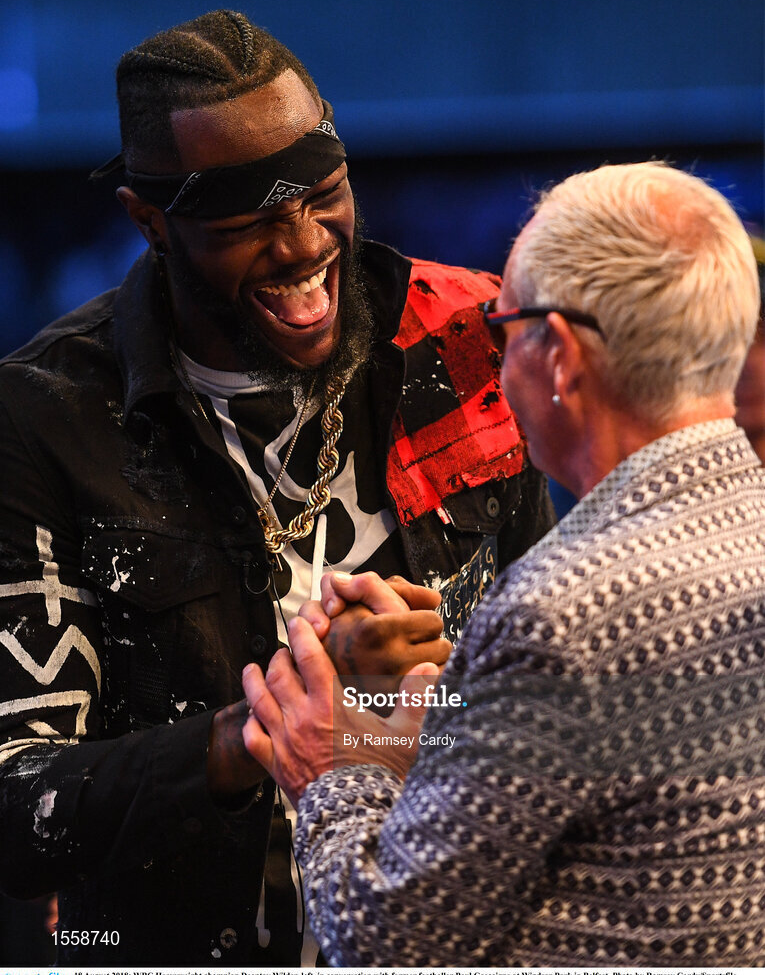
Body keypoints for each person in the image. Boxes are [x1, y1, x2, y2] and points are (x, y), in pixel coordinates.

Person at [0, 10, 554, 966]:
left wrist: (422, 699)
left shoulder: (462, 341)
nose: (302, 245)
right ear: (149, 221)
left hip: (443, 940)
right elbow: (19, 812)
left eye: (324, 193)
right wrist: (270, 726)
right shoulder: (46, 415)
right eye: (246, 221)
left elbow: (553, 719)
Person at [242, 162, 765, 966]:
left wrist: (332, 768)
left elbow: (384, 942)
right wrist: (462, 701)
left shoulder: (562, 617)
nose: (492, 361)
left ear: (558, 355)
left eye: (500, 330)